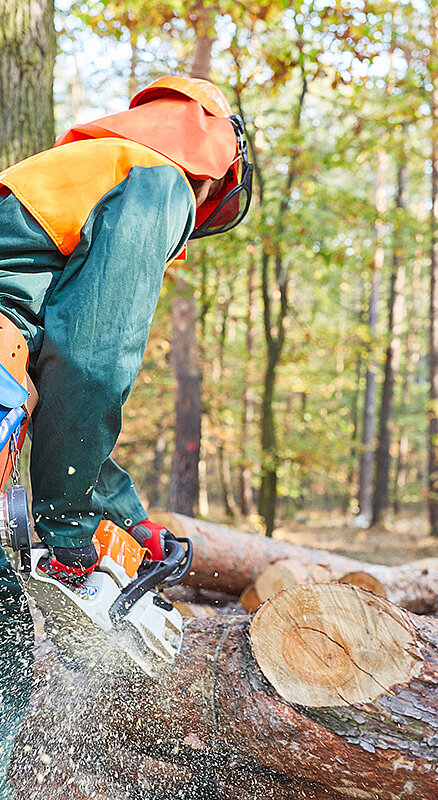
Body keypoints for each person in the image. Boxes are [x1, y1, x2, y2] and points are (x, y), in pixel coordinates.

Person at [0, 76, 252, 798]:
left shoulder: (91, 169)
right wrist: (70, 528)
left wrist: (121, 511)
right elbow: (88, 361)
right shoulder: (158, 180)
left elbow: (58, 362)